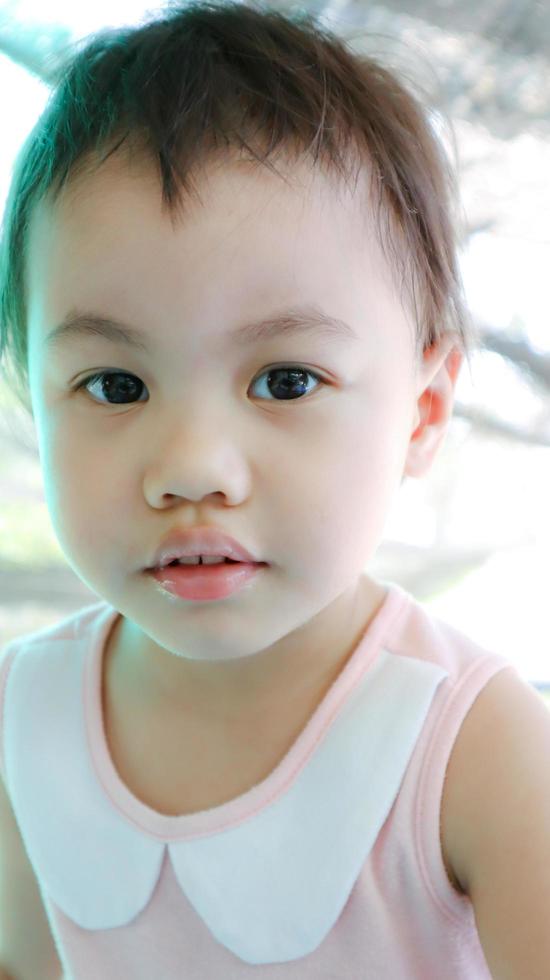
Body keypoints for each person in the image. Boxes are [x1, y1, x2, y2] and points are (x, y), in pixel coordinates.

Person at [1, 3, 549, 978]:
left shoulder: (472, 745)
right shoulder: (23, 716)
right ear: (33, 401)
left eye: (286, 380)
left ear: (420, 413)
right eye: (115, 385)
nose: (192, 467)